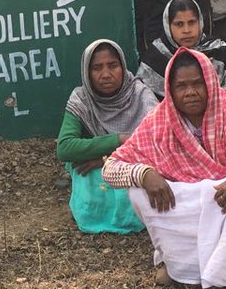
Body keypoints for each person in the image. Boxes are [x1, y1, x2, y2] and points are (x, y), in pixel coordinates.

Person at [103, 49, 226, 289]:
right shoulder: (159, 121)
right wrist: (145, 174)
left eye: (197, 84)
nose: (190, 93)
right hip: (184, 209)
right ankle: (177, 263)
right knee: (138, 192)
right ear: (170, 89)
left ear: (210, 83)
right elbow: (111, 168)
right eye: (181, 86)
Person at [56, 39, 158, 233]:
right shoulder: (81, 99)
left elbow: (158, 140)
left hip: (135, 165)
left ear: (122, 66)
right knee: (84, 171)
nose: (105, 74)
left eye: (112, 66)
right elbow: (65, 148)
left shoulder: (140, 94)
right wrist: (118, 140)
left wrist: (109, 159)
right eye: (96, 68)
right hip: (97, 172)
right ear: (87, 72)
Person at [136, 0, 226, 97]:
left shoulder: (218, 50)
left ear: (200, 22)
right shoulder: (156, 56)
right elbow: (145, 100)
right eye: (179, 24)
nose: (186, 30)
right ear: (168, 26)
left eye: (191, 22)